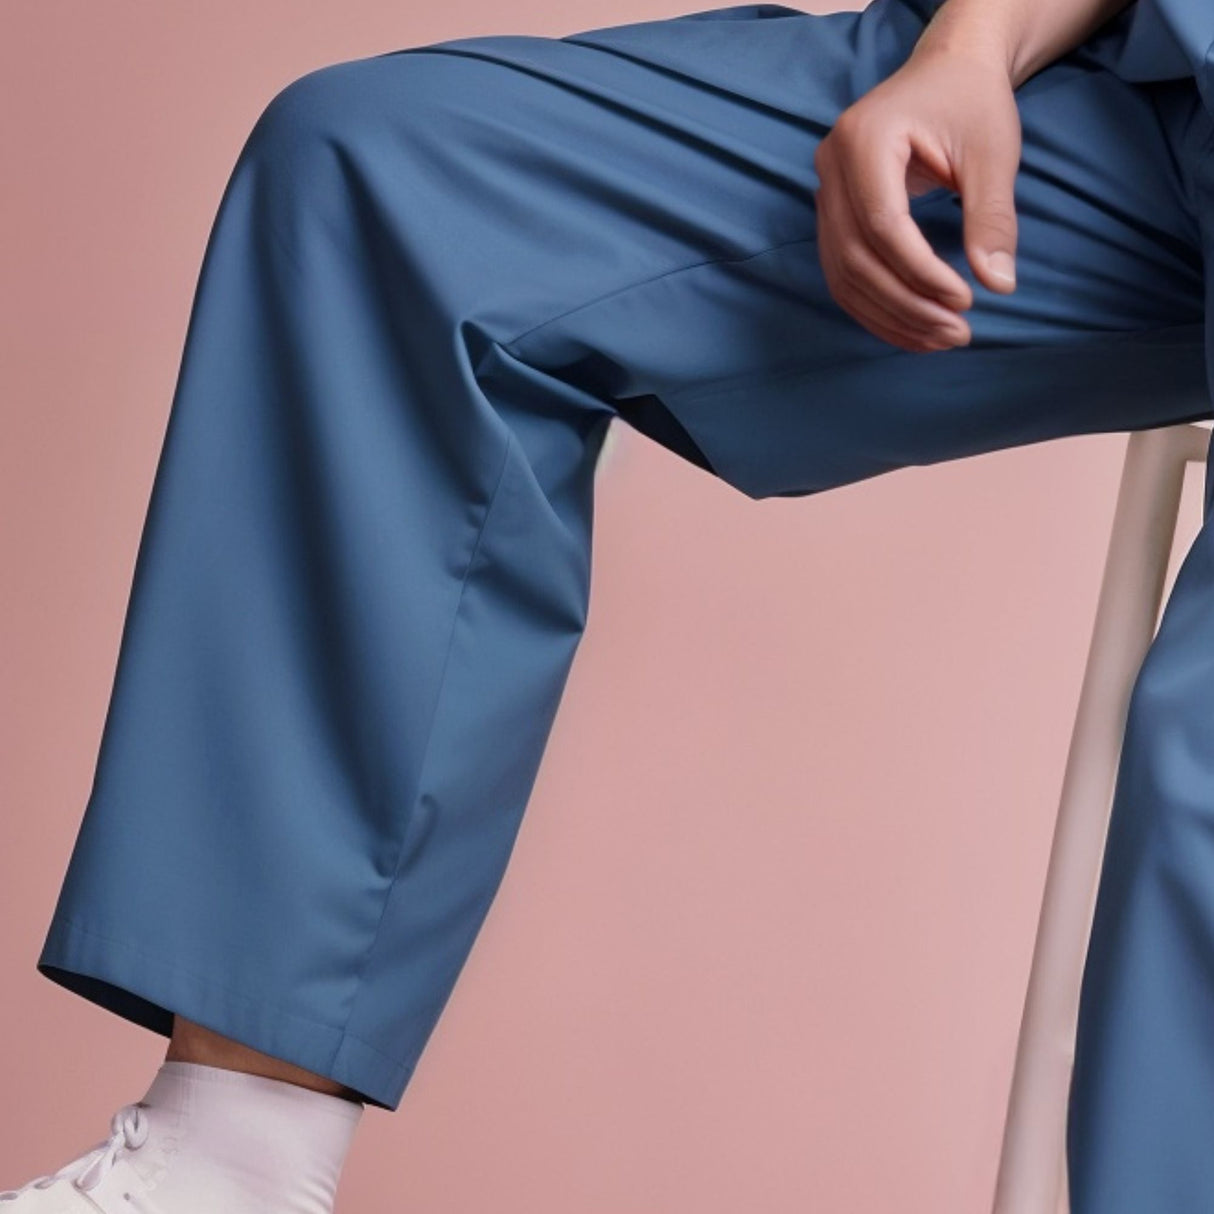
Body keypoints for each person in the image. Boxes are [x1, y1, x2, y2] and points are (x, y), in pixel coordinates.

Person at [6, 0, 1214, 1207]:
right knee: (390, 173)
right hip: (1140, 79)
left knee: (1200, 754)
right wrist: (970, 46)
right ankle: (231, 1157)